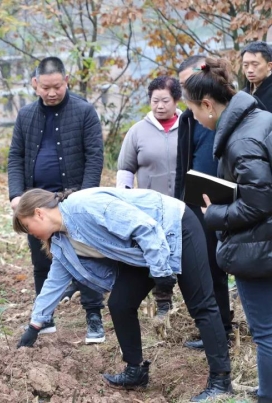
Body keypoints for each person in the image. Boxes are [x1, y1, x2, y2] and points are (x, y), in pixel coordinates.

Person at [14, 188, 233, 402]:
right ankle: (135, 371)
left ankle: (221, 382)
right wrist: (35, 325)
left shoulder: (85, 206)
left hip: (173, 226)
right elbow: (54, 283)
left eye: (27, 226)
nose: (30, 233)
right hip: (142, 248)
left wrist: (161, 272)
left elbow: (144, 227)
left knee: (201, 305)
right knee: (120, 303)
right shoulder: (61, 242)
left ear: (39, 213)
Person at [184, 57, 272, 403]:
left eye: (192, 111)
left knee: (265, 331)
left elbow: (258, 203)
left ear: (208, 104)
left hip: (258, 246)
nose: (194, 120)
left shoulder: (240, 142)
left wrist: (215, 213)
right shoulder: (260, 118)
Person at [8, 56, 106, 343]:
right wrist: (16, 195)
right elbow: (15, 156)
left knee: (84, 257)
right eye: (46, 87)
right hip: (35, 201)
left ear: (67, 81)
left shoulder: (84, 111)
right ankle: (45, 316)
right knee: (42, 260)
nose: (51, 93)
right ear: (35, 84)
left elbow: (94, 156)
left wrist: (86, 196)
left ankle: (93, 315)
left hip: (73, 200)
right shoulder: (26, 115)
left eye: (57, 87)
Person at [174, 55, 234, 351]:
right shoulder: (187, 118)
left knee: (231, 262)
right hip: (197, 201)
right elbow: (181, 163)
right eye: (184, 86)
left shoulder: (228, 112)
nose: (188, 92)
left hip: (229, 197)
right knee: (207, 265)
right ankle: (219, 327)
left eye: (190, 84)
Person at [116, 76, 182, 321]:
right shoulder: (137, 131)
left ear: (176, 100)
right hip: (150, 205)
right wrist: (124, 198)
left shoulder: (188, 126)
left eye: (165, 100)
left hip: (182, 203)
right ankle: (162, 299)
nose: (160, 106)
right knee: (156, 250)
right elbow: (125, 168)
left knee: (183, 250)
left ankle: (192, 297)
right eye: (155, 101)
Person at [240, 41, 272, 111]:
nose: (249, 70)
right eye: (246, 65)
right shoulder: (242, 94)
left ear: (269, 66)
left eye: (255, 64)